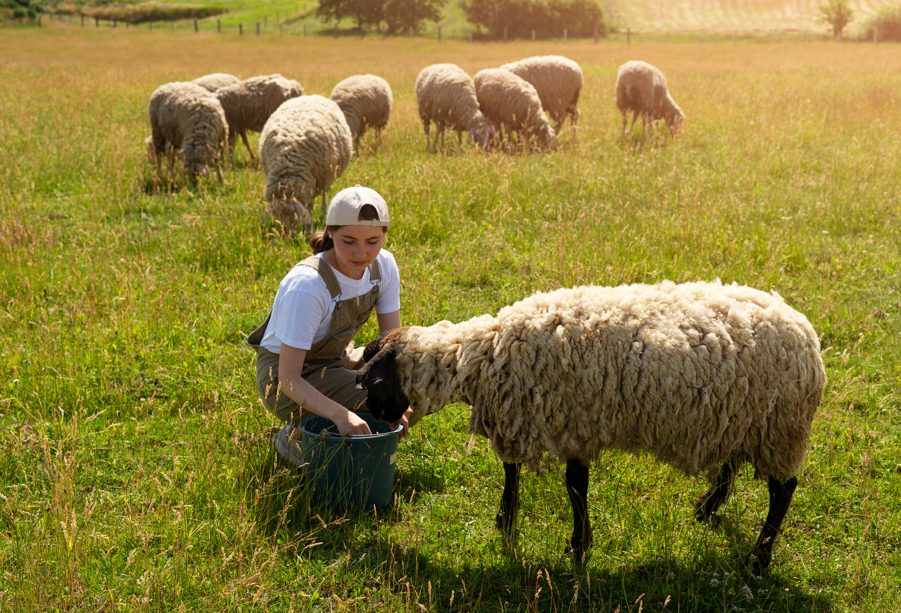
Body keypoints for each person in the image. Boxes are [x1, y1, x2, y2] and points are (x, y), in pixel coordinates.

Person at [247, 185, 413, 462]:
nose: (361, 253)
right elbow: (289, 379)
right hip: (284, 379)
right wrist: (341, 413)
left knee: (417, 384)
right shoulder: (308, 286)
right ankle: (298, 439)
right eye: (348, 241)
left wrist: (402, 393)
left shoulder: (384, 266)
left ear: (384, 235)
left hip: (334, 361)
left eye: (373, 241)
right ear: (330, 232)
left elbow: (390, 344)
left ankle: (334, 438)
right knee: (380, 400)